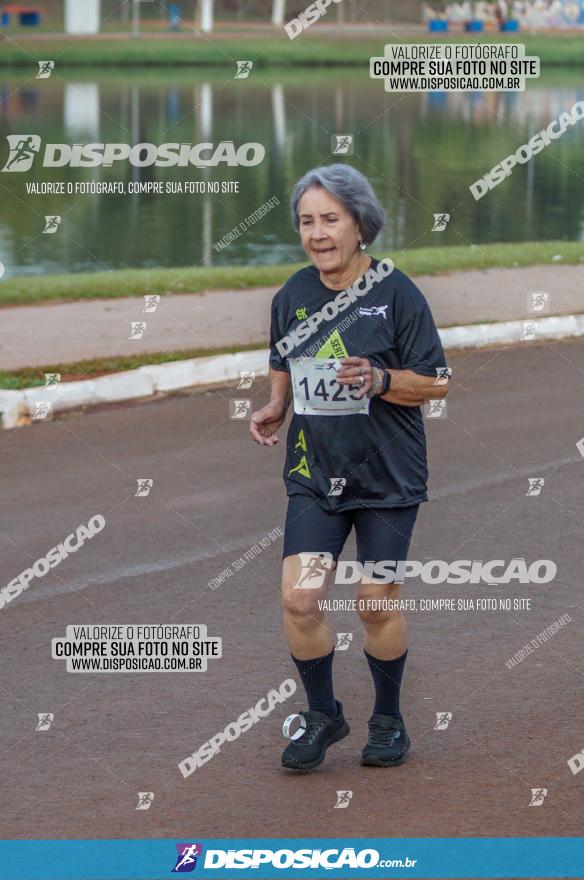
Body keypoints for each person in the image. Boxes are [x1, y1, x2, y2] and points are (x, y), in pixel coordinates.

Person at [249, 164, 449, 771]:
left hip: (389, 478)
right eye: (307, 221)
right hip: (315, 474)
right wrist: (277, 405)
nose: (317, 233)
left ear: (361, 224)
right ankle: (323, 715)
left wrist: (383, 378)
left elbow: (436, 382)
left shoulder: (396, 293)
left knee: (374, 602)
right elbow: (283, 356)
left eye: (330, 219)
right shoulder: (293, 295)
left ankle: (388, 720)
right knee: (300, 599)